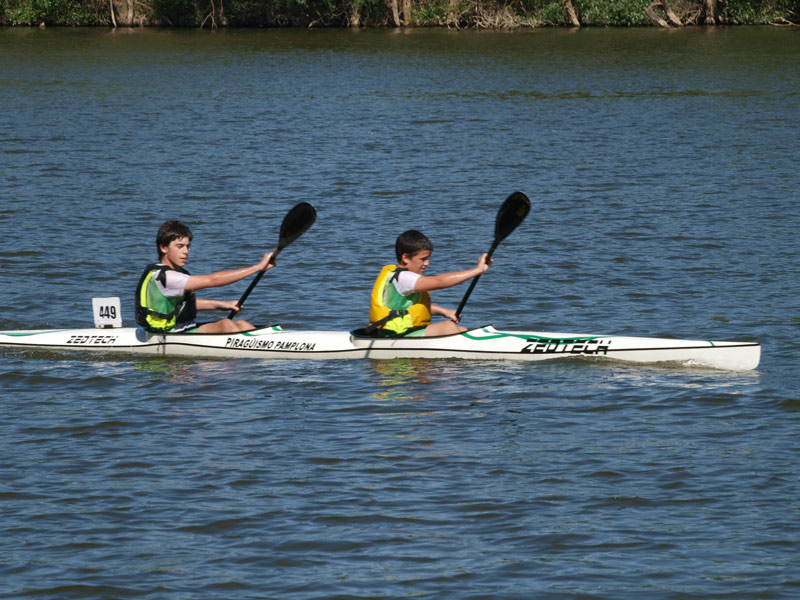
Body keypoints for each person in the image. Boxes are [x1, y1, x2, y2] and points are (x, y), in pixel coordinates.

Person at [135, 220, 274, 334]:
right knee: (226, 325)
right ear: (164, 248)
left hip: (183, 327)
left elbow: (183, 305)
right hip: (168, 333)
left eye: (188, 246)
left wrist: (222, 305)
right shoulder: (167, 277)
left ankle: (268, 347)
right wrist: (258, 267)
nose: (186, 251)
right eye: (180, 246)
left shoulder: (176, 273)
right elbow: (213, 280)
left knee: (242, 324)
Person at [368, 229, 492, 337]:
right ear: (405, 258)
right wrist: (477, 270)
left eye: (428, 258)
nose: (427, 263)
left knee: (461, 329)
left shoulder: (405, 277)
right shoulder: (404, 278)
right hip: (395, 336)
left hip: (406, 332)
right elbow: (439, 281)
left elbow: (412, 308)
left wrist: (445, 311)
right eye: (423, 259)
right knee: (448, 327)